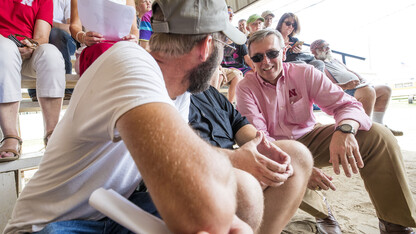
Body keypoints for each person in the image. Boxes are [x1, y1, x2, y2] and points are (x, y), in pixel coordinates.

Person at [4, 0, 265, 233]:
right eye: (224, 44)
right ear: (207, 46)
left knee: (243, 189)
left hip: (113, 213)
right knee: (220, 200)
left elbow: (181, 158)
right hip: (50, 227)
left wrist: (237, 159)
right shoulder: (130, 63)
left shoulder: (179, 90)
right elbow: (201, 214)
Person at [236, 29, 416, 234]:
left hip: (310, 137)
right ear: (251, 60)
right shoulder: (245, 88)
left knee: (379, 136)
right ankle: (323, 213)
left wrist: (345, 130)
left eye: (272, 54)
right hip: (276, 147)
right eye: (258, 57)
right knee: (273, 168)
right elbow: (260, 137)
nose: (266, 62)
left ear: (283, 53)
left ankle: (394, 223)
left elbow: (347, 105)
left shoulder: (306, 73)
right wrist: (296, 164)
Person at [189, 85, 313, 233]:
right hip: (200, 167)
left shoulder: (207, 89)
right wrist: (233, 159)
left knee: (297, 155)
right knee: (245, 187)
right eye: (257, 59)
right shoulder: (163, 93)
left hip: (235, 157)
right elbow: (179, 149)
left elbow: (238, 122)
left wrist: (262, 146)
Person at [0, 0, 65, 162]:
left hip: (27, 52)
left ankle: (52, 133)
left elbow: (42, 37)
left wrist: (31, 46)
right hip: (2, 49)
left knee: (51, 53)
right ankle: (11, 136)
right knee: (5, 48)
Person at [310, 39, 403, 136]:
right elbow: (325, 87)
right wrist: (346, 85)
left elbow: (349, 70)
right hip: (343, 91)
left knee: (385, 89)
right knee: (368, 92)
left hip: (357, 87)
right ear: (315, 51)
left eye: (328, 46)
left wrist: (362, 79)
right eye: (325, 47)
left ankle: (380, 125)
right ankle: (364, 131)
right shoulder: (317, 64)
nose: (328, 49)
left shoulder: (334, 60)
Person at [70, 0, 139, 75]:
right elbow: (74, 26)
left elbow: (134, 29)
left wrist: (134, 39)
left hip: (121, 47)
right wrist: (83, 37)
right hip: (92, 47)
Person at [28, 0, 77, 102]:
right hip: (40, 39)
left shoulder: (66, 1)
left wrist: (47, 22)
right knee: (36, 34)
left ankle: (66, 87)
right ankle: (34, 89)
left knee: (54, 33)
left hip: (66, 41)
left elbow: (70, 28)